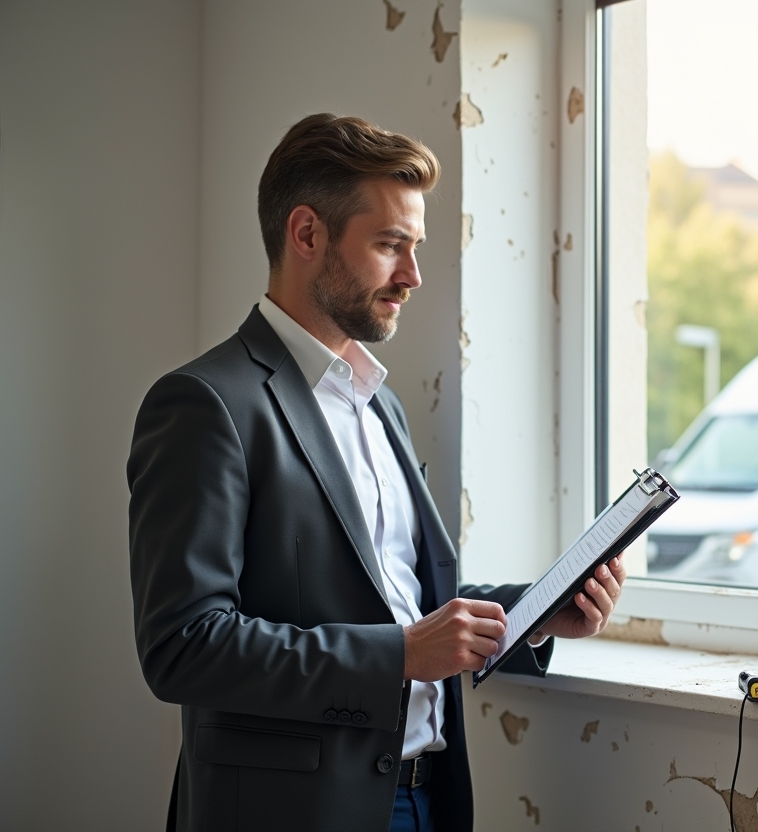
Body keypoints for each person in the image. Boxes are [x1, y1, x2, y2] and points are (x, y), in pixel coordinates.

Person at [128, 113, 627, 832]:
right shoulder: (205, 403)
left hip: (427, 797)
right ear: (307, 234)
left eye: (414, 248)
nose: (413, 276)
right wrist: (397, 656)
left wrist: (533, 613)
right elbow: (183, 647)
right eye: (391, 245)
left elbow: (397, 601)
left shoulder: (378, 402)